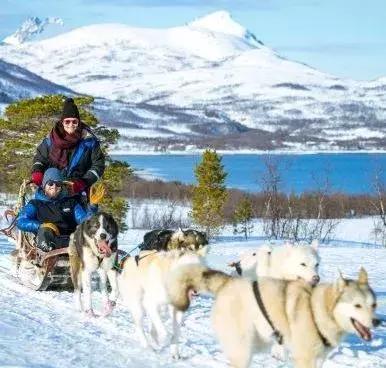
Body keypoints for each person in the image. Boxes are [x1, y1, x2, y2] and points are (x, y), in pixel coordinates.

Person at [16, 168, 103, 252]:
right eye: (50, 183)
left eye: (58, 184)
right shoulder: (35, 204)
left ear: (61, 187)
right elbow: (21, 221)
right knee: (45, 231)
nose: (54, 187)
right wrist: (40, 226)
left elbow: (84, 222)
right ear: (44, 185)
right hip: (47, 241)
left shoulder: (71, 202)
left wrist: (92, 206)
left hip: (70, 240)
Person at [31, 97, 105, 194]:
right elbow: (39, 160)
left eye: (74, 121)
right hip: (50, 190)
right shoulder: (50, 141)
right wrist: (37, 173)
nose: (71, 124)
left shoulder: (89, 143)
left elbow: (98, 165)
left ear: (78, 122)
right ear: (62, 122)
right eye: (67, 121)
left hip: (77, 191)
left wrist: (83, 182)